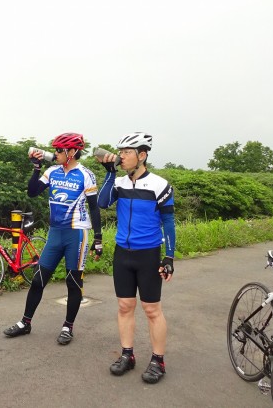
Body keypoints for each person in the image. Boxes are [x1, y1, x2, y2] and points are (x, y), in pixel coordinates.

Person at [3, 132, 103, 345]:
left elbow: (94, 208)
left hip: (77, 233)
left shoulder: (85, 175)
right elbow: (32, 192)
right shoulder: (52, 171)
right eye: (55, 149)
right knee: (39, 278)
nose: (56, 153)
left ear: (72, 152)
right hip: (55, 232)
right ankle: (25, 322)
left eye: (60, 150)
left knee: (73, 281)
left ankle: (68, 326)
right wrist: (36, 167)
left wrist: (98, 238)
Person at [96, 132, 175, 384]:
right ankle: (127, 355)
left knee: (152, 309)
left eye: (126, 152)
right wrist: (109, 173)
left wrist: (169, 257)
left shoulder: (159, 185)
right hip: (122, 253)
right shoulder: (118, 182)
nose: (121, 156)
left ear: (142, 156)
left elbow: (168, 222)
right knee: (124, 306)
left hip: (149, 254)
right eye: (120, 152)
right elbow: (102, 202)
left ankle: (158, 360)